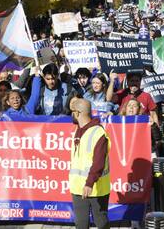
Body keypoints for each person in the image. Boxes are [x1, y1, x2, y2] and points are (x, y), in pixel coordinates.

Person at [69, 98, 111, 229]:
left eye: (72, 112)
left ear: (77, 113)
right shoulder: (78, 130)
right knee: (81, 224)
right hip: (78, 187)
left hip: (96, 188)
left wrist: (89, 183)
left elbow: (98, 162)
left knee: (101, 222)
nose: (71, 115)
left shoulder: (98, 133)